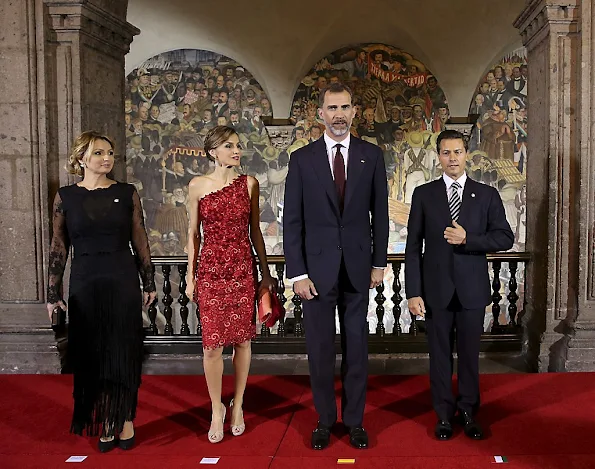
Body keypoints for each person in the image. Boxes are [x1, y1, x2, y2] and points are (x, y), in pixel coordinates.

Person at [283, 83, 389, 450]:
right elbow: (292, 222)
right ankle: (325, 420)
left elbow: (381, 215)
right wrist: (297, 273)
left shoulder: (371, 155)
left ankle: (355, 421)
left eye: (345, 106)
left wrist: (379, 263)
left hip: (360, 268)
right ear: (320, 114)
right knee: (321, 351)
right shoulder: (302, 159)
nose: (339, 114)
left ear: (355, 111)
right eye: (332, 108)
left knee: (357, 348)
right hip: (314, 273)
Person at [46, 131, 157, 452]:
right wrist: (53, 294)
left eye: (110, 152)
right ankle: (105, 416)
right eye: (98, 153)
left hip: (121, 280)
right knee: (93, 355)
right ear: (81, 159)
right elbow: (58, 247)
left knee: (122, 352)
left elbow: (140, 240)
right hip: (85, 282)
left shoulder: (126, 192)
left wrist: (148, 282)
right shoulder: (65, 197)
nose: (107, 158)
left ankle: (124, 419)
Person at [405, 129, 514, 441]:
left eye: (457, 152)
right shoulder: (424, 194)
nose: (452, 158)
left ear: (467, 154)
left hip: (471, 290)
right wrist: (413, 291)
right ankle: (442, 414)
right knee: (439, 355)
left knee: (468, 354)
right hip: (435, 290)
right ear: (438, 157)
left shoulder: (487, 195)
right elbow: (413, 247)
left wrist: (469, 239)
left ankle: (468, 411)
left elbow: (504, 237)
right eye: (446, 153)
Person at [185, 125, 274, 444]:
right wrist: (189, 275)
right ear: (212, 152)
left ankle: (238, 405)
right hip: (210, 270)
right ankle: (215, 409)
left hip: (241, 269)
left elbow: (256, 231)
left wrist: (264, 273)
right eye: (228, 145)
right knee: (211, 346)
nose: (236, 150)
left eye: (237, 145)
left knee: (243, 342)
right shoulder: (197, 186)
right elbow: (193, 235)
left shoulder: (249, 183)